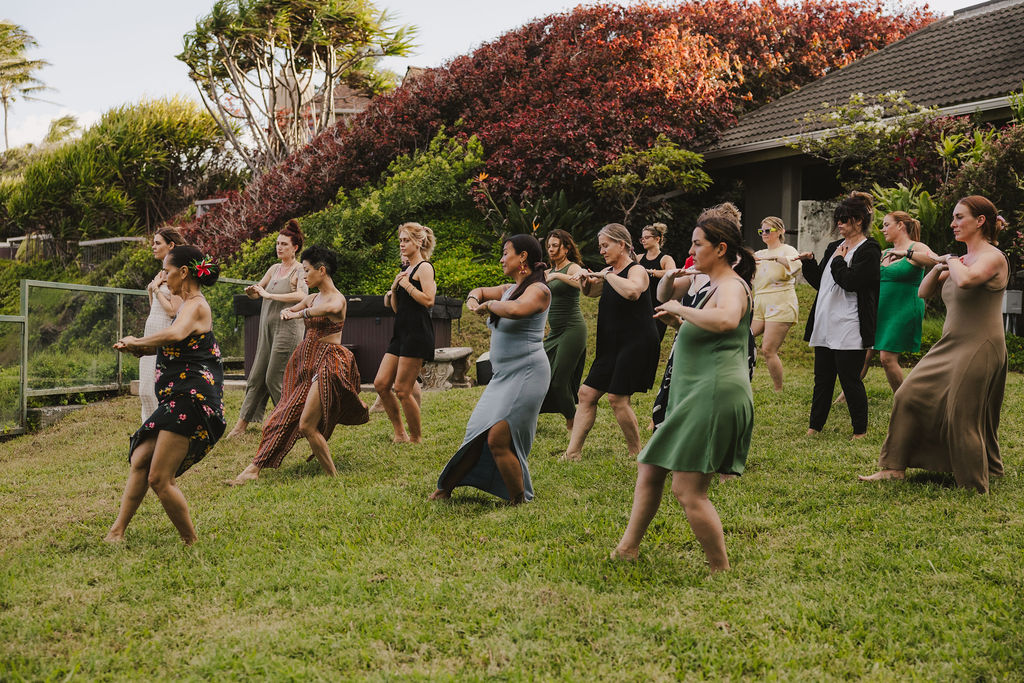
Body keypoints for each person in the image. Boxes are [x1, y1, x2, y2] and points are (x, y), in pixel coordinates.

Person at [612, 211, 756, 573]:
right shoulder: (709, 284)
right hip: (693, 392)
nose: (691, 250)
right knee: (649, 467)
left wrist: (681, 309)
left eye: (697, 244)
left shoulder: (731, 286)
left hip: (712, 394)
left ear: (721, 249)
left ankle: (720, 569)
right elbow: (699, 321)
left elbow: (726, 320)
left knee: (689, 490)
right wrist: (680, 315)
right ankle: (627, 549)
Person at [860, 197, 1009, 492]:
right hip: (950, 343)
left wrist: (952, 260)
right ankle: (894, 468)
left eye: (959, 217)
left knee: (962, 413)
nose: (952, 223)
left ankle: (973, 482)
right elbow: (923, 292)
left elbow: (967, 281)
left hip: (980, 344)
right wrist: (939, 264)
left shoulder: (992, 257)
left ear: (980, 221)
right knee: (908, 394)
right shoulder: (959, 261)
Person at [105, 246, 225, 545]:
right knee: (141, 459)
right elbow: (173, 347)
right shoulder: (183, 306)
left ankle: (190, 541)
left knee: (159, 478)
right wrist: (138, 348)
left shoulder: (196, 305)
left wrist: (138, 339)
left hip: (192, 397)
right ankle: (116, 532)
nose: (165, 278)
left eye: (168, 272)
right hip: (177, 396)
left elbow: (174, 336)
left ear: (184, 272)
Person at [228, 246, 369, 485]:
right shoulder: (311, 297)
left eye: (307, 271)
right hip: (307, 360)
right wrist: (287, 312)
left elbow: (330, 310)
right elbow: (291, 308)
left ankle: (333, 479)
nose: (304, 276)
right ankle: (254, 467)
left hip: (330, 361)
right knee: (283, 413)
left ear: (321, 271)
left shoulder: (337, 299)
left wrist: (300, 314)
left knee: (306, 424)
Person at [430, 234, 551, 504]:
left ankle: (518, 499)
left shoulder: (539, 291)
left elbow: (519, 310)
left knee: (497, 437)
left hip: (528, 373)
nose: (501, 258)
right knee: (477, 431)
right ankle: (445, 488)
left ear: (523, 257)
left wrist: (489, 306)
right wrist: (474, 299)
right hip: (502, 376)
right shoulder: (509, 287)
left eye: (506, 252)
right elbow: (481, 291)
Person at [562, 223, 659, 460]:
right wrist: (586, 281)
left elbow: (633, 292)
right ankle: (572, 453)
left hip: (636, 342)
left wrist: (606, 275)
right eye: (600, 246)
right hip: (611, 345)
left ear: (622, 245)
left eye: (606, 246)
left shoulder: (637, 270)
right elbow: (592, 293)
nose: (602, 251)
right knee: (586, 394)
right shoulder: (610, 272)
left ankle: (637, 453)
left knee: (617, 398)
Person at [797, 192, 881, 438]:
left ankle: (860, 431)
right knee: (822, 379)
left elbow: (851, 282)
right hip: (825, 322)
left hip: (849, 323)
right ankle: (814, 427)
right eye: (839, 220)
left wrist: (839, 262)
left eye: (844, 219)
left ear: (858, 220)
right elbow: (822, 282)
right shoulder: (834, 247)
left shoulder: (870, 249)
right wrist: (810, 263)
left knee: (849, 379)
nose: (839, 224)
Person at [227, 220, 308, 438]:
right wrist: (252, 290)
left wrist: (270, 295)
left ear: (295, 248)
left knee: (274, 377)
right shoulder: (274, 269)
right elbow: (258, 291)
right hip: (267, 329)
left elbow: (303, 295)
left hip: (288, 329)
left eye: (283, 244)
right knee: (257, 376)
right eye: (277, 243)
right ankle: (241, 425)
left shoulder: (300, 270)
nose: (279, 247)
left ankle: (293, 422)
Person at [856, 211, 937, 392]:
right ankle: (847, 395)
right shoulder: (884, 253)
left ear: (900, 225)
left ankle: (902, 399)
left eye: (886, 225)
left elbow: (935, 260)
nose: (883, 229)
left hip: (903, 307)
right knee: (865, 355)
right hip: (880, 308)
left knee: (886, 358)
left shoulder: (916, 247)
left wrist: (907, 254)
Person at [374, 222, 436, 443]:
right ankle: (400, 432)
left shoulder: (424, 268)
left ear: (418, 242)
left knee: (402, 389)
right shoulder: (405, 269)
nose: (401, 244)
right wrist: (393, 290)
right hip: (400, 332)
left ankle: (416, 438)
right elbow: (398, 308)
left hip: (417, 333)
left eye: (406, 240)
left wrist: (407, 286)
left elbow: (429, 300)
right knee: (381, 384)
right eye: (400, 240)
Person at [539, 229, 587, 430]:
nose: (551, 249)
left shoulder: (572, 267)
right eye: (549, 246)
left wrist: (557, 277)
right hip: (554, 333)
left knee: (559, 381)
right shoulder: (546, 273)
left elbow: (582, 284)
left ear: (566, 248)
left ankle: (573, 423)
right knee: (538, 375)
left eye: (555, 245)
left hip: (573, 330)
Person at [139, 227, 186, 421]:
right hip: (151, 332)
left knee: (155, 390)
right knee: (144, 390)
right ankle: (147, 430)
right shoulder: (161, 273)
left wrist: (157, 289)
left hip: (164, 334)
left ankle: (160, 429)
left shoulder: (177, 274)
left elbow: (174, 310)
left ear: (171, 245)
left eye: (158, 243)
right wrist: (153, 290)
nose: (153, 246)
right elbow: (155, 307)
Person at [751, 217, 801, 392]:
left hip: (780, 302)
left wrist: (776, 258)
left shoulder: (787, 249)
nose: (764, 234)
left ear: (780, 231)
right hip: (760, 303)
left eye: (768, 230)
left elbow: (795, 267)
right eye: (761, 231)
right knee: (745, 336)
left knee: (768, 349)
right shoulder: (759, 254)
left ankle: (778, 389)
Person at [636, 222, 677, 341]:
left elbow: (672, 273)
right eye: (642, 238)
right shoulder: (639, 258)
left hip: (658, 308)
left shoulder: (665, 259)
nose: (643, 240)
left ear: (657, 239)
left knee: (653, 343)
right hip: (640, 308)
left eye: (647, 237)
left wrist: (651, 272)